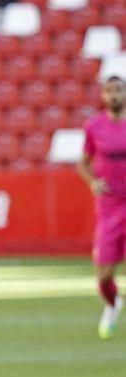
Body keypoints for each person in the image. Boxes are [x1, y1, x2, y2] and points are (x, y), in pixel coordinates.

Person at [77, 73, 126, 339]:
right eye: (109, 91)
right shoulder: (93, 127)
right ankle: (113, 303)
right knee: (104, 274)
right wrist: (93, 183)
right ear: (103, 95)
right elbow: (83, 163)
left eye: (119, 90)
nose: (114, 95)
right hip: (109, 207)